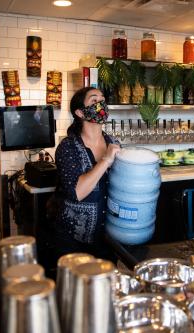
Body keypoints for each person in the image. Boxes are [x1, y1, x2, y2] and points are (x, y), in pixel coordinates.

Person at [39, 87, 120, 273]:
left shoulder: (113, 143)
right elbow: (77, 192)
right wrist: (106, 160)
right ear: (79, 112)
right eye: (94, 101)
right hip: (72, 243)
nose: (101, 104)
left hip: (107, 242)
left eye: (103, 99)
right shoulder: (68, 147)